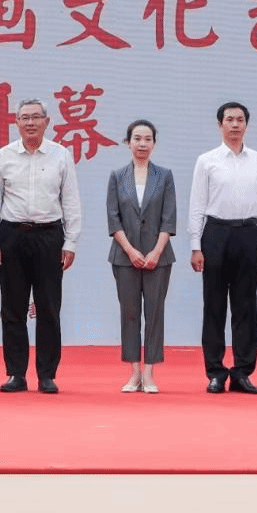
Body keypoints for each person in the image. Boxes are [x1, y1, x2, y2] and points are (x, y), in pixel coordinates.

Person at [0, 98, 82, 394]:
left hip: (49, 235)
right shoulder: (3, 156)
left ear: (47, 121)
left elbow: (70, 200)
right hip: (12, 235)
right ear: (16, 122)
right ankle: (16, 373)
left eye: (36, 117)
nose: (30, 123)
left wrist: (71, 241)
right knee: (12, 308)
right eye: (24, 118)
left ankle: (47, 374)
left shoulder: (60, 155)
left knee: (49, 307)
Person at [188, 101, 257, 395]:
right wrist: (195, 245)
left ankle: (242, 372)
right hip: (215, 233)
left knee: (245, 306)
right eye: (229, 119)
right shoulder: (207, 161)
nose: (235, 124)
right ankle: (215, 372)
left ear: (246, 125)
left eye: (240, 119)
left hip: (247, 234)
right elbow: (197, 204)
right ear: (220, 124)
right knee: (213, 306)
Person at [106, 120, 177, 394]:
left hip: (159, 257)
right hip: (124, 256)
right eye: (137, 138)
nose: (142, 144)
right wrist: (131, 250)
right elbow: (113, 219)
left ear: (154, 144)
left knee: (155, 313)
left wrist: (156, 251)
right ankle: (134, 371)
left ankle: (149, 373)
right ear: (128, 143)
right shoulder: (117, 176)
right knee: (130, 313)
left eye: (148, 139)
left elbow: (168, 218)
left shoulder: (165, 176)